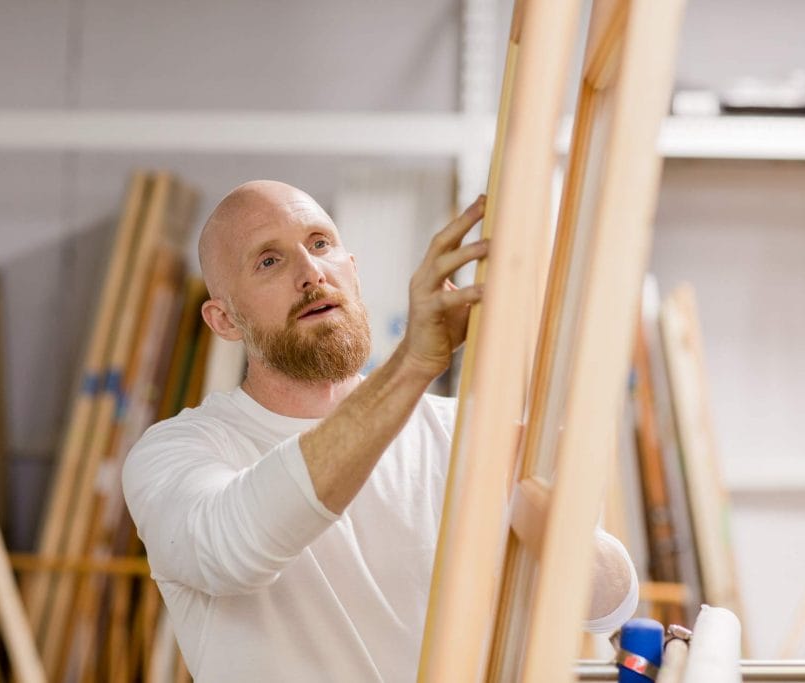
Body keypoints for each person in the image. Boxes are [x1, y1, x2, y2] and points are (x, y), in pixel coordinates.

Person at [123, 180, 638, 682]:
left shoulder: (461, 435)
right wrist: (413, 364)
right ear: (224, 320)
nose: (310, 272)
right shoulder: (178, 452)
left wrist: (556, 524)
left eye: (320, 243)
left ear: (353, 270)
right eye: (269, 261)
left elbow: (609, 606)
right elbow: (234, 549)